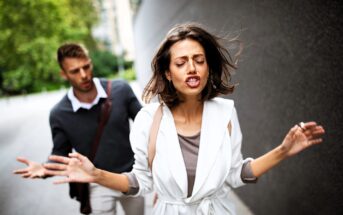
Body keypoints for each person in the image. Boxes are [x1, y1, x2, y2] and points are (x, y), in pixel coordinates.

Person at [42, 24, 325, 214]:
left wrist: (283, 150)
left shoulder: (226, 112)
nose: (192, 68)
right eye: (181, 62)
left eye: (199, 60)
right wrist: (96, 175)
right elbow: (140, 183)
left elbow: (236, 175)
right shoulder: (148, 120)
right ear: (167, 72)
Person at [13, 43, 145, 215]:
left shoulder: (121, 90)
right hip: (96, 182)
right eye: (75, 71)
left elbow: (147, 125)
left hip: (131, 176)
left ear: (91, 63)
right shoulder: (59, 113)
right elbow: (60, 153)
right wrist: (45, 169)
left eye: (86, 67)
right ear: (63, 74)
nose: (84, 75)